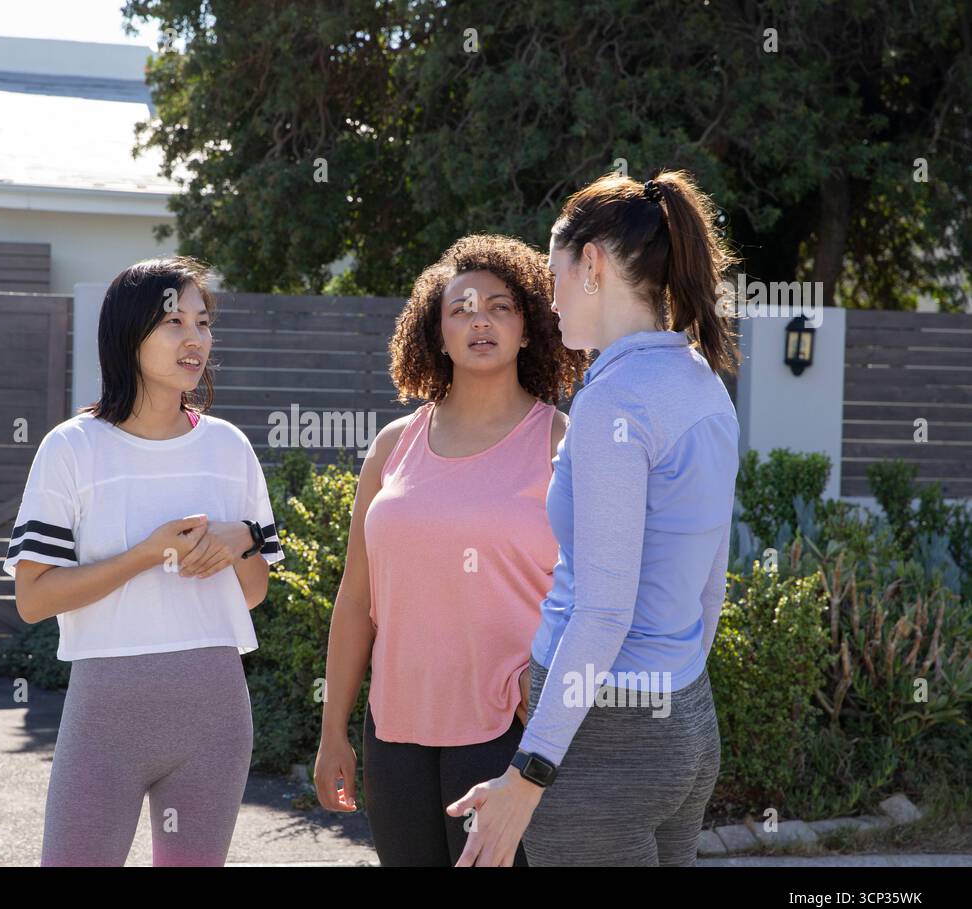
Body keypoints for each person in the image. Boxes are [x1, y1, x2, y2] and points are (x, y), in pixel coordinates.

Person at [447, 170, 740, 866]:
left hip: (603, 740)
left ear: (594, 265)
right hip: (686, 724)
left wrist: (530, 772)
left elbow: (604, 611)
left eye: (554, 277)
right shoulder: (703, 382)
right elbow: (711, 581)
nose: (549, 301)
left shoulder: (615, 402)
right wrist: (669, 695)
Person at [312, 234, 586, 865]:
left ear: (529, 328)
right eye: (460, 308)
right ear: (436, 333)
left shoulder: (560, 441)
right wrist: (333, 734)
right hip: (395, 733)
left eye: (500, 306)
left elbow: (597, 593)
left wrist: (546, 681)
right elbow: (356, 602)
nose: (479, 320)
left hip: (507, 732)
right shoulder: (392, 446)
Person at [4, 256, 283, 866]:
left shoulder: (228, 447)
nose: (194, 338)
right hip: (106, 715)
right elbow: (34, 598)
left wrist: (239, 540)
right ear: (129, 333)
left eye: (203, 323)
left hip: (214, 713)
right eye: (173, 322)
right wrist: (147, 555)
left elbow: (254, 592)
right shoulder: (72, 448)